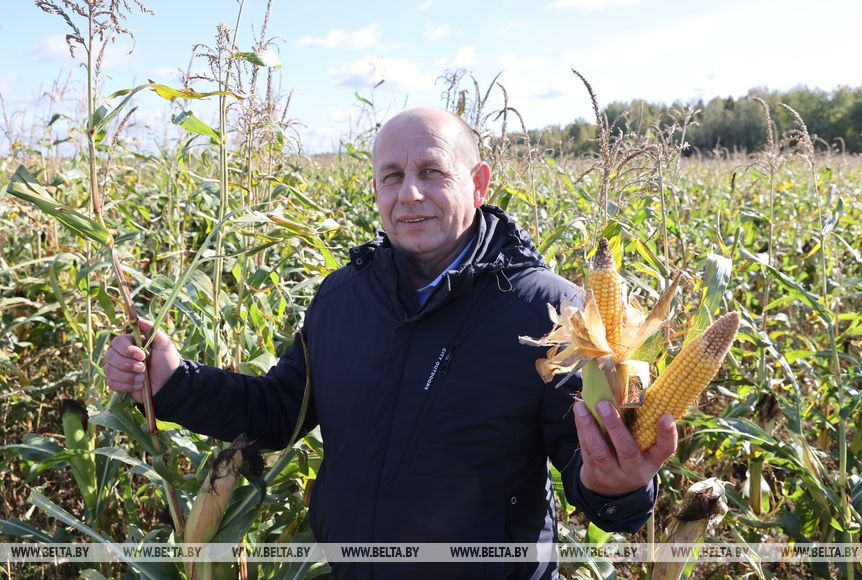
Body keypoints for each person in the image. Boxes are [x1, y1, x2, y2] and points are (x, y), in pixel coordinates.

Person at [104, 107, 677, 579]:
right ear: (375, 189)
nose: (410, 194)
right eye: (392, 176)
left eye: (432, 172)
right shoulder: (342, 298)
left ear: (477, 184)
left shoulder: (552, 313)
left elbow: (595, 465)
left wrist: (619, 489)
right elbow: (281, 412)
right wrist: (174, 383)